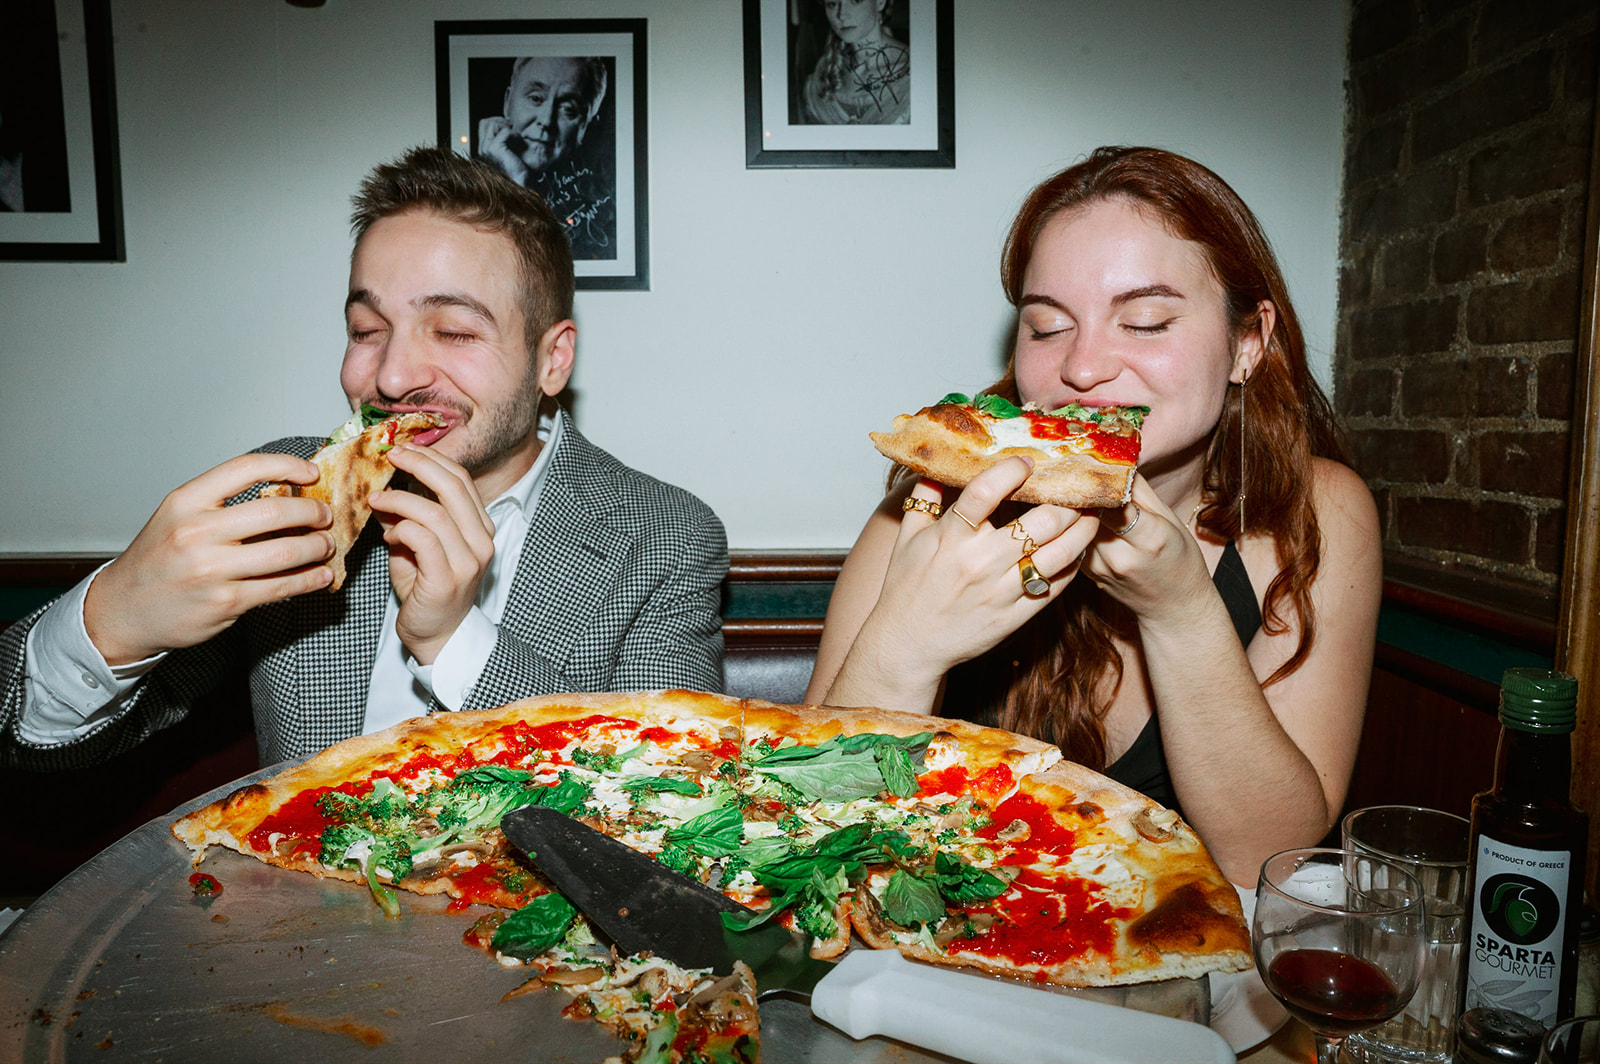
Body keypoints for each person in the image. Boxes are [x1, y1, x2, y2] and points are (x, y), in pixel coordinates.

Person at [0, 146, 726, 770]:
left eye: (452, 331)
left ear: (552, 359)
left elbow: (664, 788)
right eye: (366, 327)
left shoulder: (662, 536)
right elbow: (44, 742)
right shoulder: (287, 495)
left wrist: (453, 640)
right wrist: (113, 622)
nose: (391, 376)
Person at [806, 146, 1381, 886]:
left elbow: (1267, 861)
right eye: (1046, 327)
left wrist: (1182, 613)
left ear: (1248, 342)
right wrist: (906, 648)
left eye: (1143, 322)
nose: (1081, 368)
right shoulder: (928, 513)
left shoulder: (1321, 511)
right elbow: (811, 831)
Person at [476, 55, 616, 259]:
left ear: (586, 125)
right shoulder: (466, 188)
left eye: (568, 109)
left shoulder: (602, 208)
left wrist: (520, 183)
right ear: (507, 102)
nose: (546, 120)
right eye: (535, 98)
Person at [799, 0, 911, 125]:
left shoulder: (913, 70)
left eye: (855, 1)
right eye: (832, 4)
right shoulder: (821, 73)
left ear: (880, 2)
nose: (842, 15)